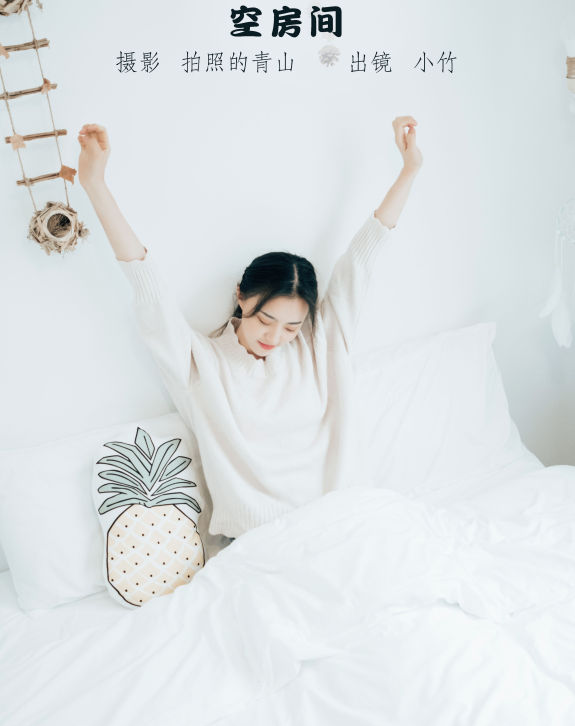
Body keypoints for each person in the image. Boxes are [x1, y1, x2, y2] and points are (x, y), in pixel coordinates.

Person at [77, 116, 423, 539]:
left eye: (292, 327)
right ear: (241, 296)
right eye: (265, 319)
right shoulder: (199, 363)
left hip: (344, 523)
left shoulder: (323, 341)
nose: (275, 338)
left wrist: (409, 170)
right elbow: (145, 283)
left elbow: (362, 258)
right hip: (263, 544)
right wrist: (95, 183)